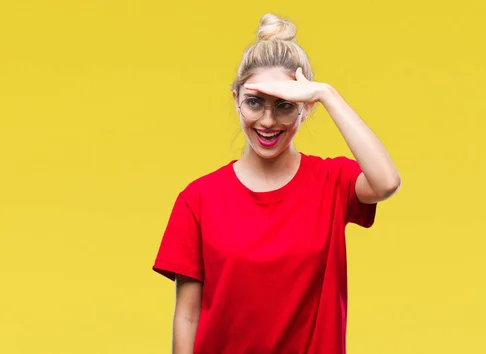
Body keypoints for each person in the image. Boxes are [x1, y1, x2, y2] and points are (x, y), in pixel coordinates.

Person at [152, 13, 401, 354]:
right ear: (236, 97)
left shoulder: (332, 182)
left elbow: (387, 182)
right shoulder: (198, 199)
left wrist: (327, 94)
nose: (268, 121)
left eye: (285, 106)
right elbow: (187, 317)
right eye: (254, 102)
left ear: (306, 108)